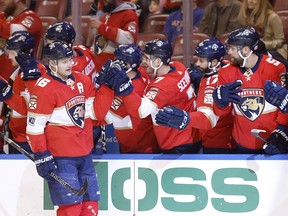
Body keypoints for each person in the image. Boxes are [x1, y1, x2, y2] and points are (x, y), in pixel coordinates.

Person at [25, 41, 113, 215]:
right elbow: (34, 128)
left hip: (85, 155)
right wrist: (42, 155)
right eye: (64, 61)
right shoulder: (43, 88)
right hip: (61, 159)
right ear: (51, 63)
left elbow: (95, 113)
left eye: (70, 60)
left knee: (90, 208)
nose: (69, 64)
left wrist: (107, 89)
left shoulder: (82, 80)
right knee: (71, 209)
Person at [100, 38, 201, 153]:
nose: (144, 62)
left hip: (178, 143)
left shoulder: (162, 87)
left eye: (147, 58)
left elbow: (141, 111)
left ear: (158, 62)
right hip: (191, 134)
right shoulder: (179, 67)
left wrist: (125, 88)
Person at [212, 26, 288, 154]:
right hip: (241, 143)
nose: (228, 52)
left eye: (232, 48)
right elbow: (221, 113)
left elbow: (284, 105)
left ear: (246, 50)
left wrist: (282, 131)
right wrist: (220, 103)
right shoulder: (225, 72)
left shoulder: (275, 68)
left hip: (272, 141)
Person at [155, 37, 236, 154]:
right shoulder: (226, 65)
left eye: (201, 61)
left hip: (217, 143)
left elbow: (207, 119)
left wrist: (185, 118)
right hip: (227, 136)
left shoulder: (211, 85)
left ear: (214, 62)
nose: (197, 63)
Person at [98, 44, 159, 153]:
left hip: (138, 143)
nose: (114, 63)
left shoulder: (133, 88)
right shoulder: (141, 73)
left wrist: (103, 88)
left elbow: (106, 115)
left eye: (119, 61)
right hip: (141, 137)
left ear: (130, 64)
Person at [0, 0, 42, 153]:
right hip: (9, 80)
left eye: (11, 51)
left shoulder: (31, 18)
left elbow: (29, 107)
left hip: (28, 139)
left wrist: (7, 94)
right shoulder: (17, 71)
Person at [90, 0, 139, 72]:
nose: (104, 1)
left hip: (116, 69)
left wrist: (103, 28)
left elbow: (129, 40)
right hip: (99, 67)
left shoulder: (129, 14)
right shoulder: (104, 16)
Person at [237, 0, 288, 65]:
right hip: (253, 50)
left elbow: (280, 41)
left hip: (275, 51)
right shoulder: (246, 17)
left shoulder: (272, 17)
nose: (250, 1)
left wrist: (261, 44)